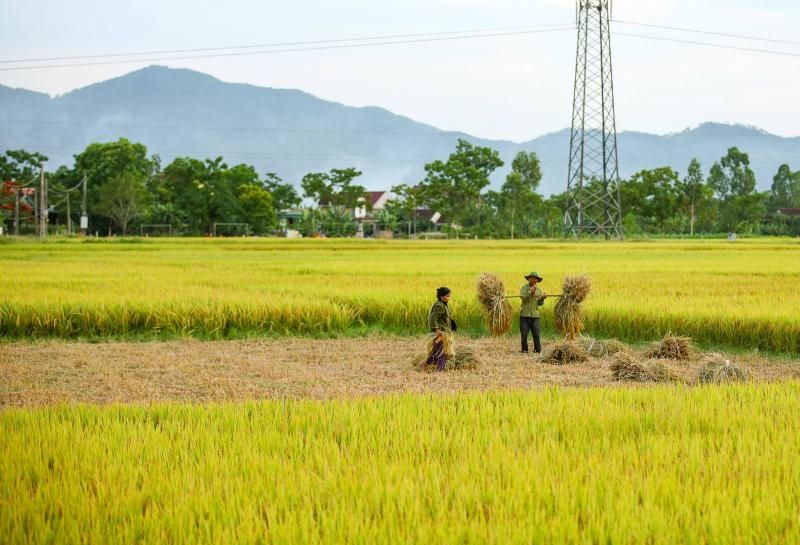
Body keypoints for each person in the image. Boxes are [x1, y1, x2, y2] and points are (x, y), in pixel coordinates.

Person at [426, 287, 457, 372]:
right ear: (441, 296)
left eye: (449, 296)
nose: (449, 298)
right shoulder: (440, 305)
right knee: (444, 352)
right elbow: (433, 317)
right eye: (447, 296)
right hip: (441, 333)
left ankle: (428, 365)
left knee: (436, 350)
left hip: (444, 332)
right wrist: (437, 330)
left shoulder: (443, 304)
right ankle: (439, 370)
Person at [520, 272, 547, 354]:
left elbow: (539, 304)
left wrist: (542, 299)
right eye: (532, 278)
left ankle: (537, 351)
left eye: (536, 279)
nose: (534, 280)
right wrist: (531, 292)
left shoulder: (539, 290)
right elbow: (524, 299)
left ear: (537, 281)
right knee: (524, 334)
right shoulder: (524, 288)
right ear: (529, 279)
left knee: (536, 334)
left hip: (535, 316)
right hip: (524, 315)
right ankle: (524, 350)